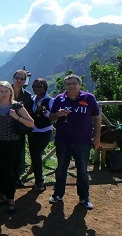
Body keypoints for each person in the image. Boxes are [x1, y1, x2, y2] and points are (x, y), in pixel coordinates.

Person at [48, 74, 101, 210]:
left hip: (83, 141)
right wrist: (57, 114)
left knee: (83, 170)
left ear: (79, 85)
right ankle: (57, 194)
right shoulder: (59, 99)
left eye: (74, 83)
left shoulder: (89, 98)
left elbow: (96, 118)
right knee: (61, 169)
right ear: (65, 86)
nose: (71, 86)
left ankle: (84, 198)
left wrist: (97, 137)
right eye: (68, 84)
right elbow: (51, 117)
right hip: (63, 140)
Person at [0, 81, 34, 215]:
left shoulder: (17, 106)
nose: (3, 94)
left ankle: (11, 199)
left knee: (9, 171)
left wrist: (17, 117)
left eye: (6, 91)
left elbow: (31, 123)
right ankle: (3, 196)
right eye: (1, 91)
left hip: (12, 143)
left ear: (10, 92)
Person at [29, 78, 54, 192]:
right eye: (34, 86)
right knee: (34, 155)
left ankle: (40, 181)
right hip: (33, 131)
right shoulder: (32, 99)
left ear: (45, 87)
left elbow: (53, 117)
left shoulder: (50, 100)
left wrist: (45, 112)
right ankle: (39, 180)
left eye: (39, 86)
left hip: (44, 131)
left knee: (36, 154)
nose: (36, 88)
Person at [12, 69, 33, 187]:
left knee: (18, 154)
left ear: (25, 81)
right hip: (3, 128)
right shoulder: (4, 90)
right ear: (13, 78)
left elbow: (29, 114)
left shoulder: (27, 96)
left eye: (22, 79)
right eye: (17, 78)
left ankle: (16, 177)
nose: (19, 80)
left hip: (19, 129)